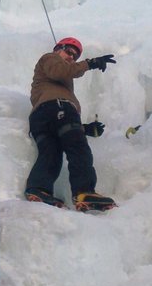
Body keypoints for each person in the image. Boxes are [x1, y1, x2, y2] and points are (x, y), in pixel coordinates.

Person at [24, 37, 117, 211]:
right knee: (78, 147)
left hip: (42, 118)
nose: (71, 57)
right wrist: (90, 63)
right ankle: (84, 192)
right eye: (69, 52)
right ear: (57, 48)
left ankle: (38, 189)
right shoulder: (50, 58)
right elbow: (59, 72)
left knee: (51, 154)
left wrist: (85, 129)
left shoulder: (50, 84)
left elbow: (59, 123)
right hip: (59, 108)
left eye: (75, 56)